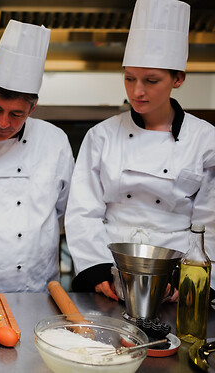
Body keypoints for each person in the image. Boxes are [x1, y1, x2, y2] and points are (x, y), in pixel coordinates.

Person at [65, 0, 215, 300]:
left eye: (151, 81)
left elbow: (209, 222)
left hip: (175, 281)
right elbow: (84, 212)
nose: (137, 91)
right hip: (111, 276)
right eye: (129, 78)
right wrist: (97, 270)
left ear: (178, 78)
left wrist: (188, 278)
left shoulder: (205, 140)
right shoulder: (103, 136)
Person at [0, 20, 74, 293]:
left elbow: (71, 214)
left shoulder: (55, 142)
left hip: (39, 290)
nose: (3, 123)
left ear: (32, 109)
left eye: (16, 114)